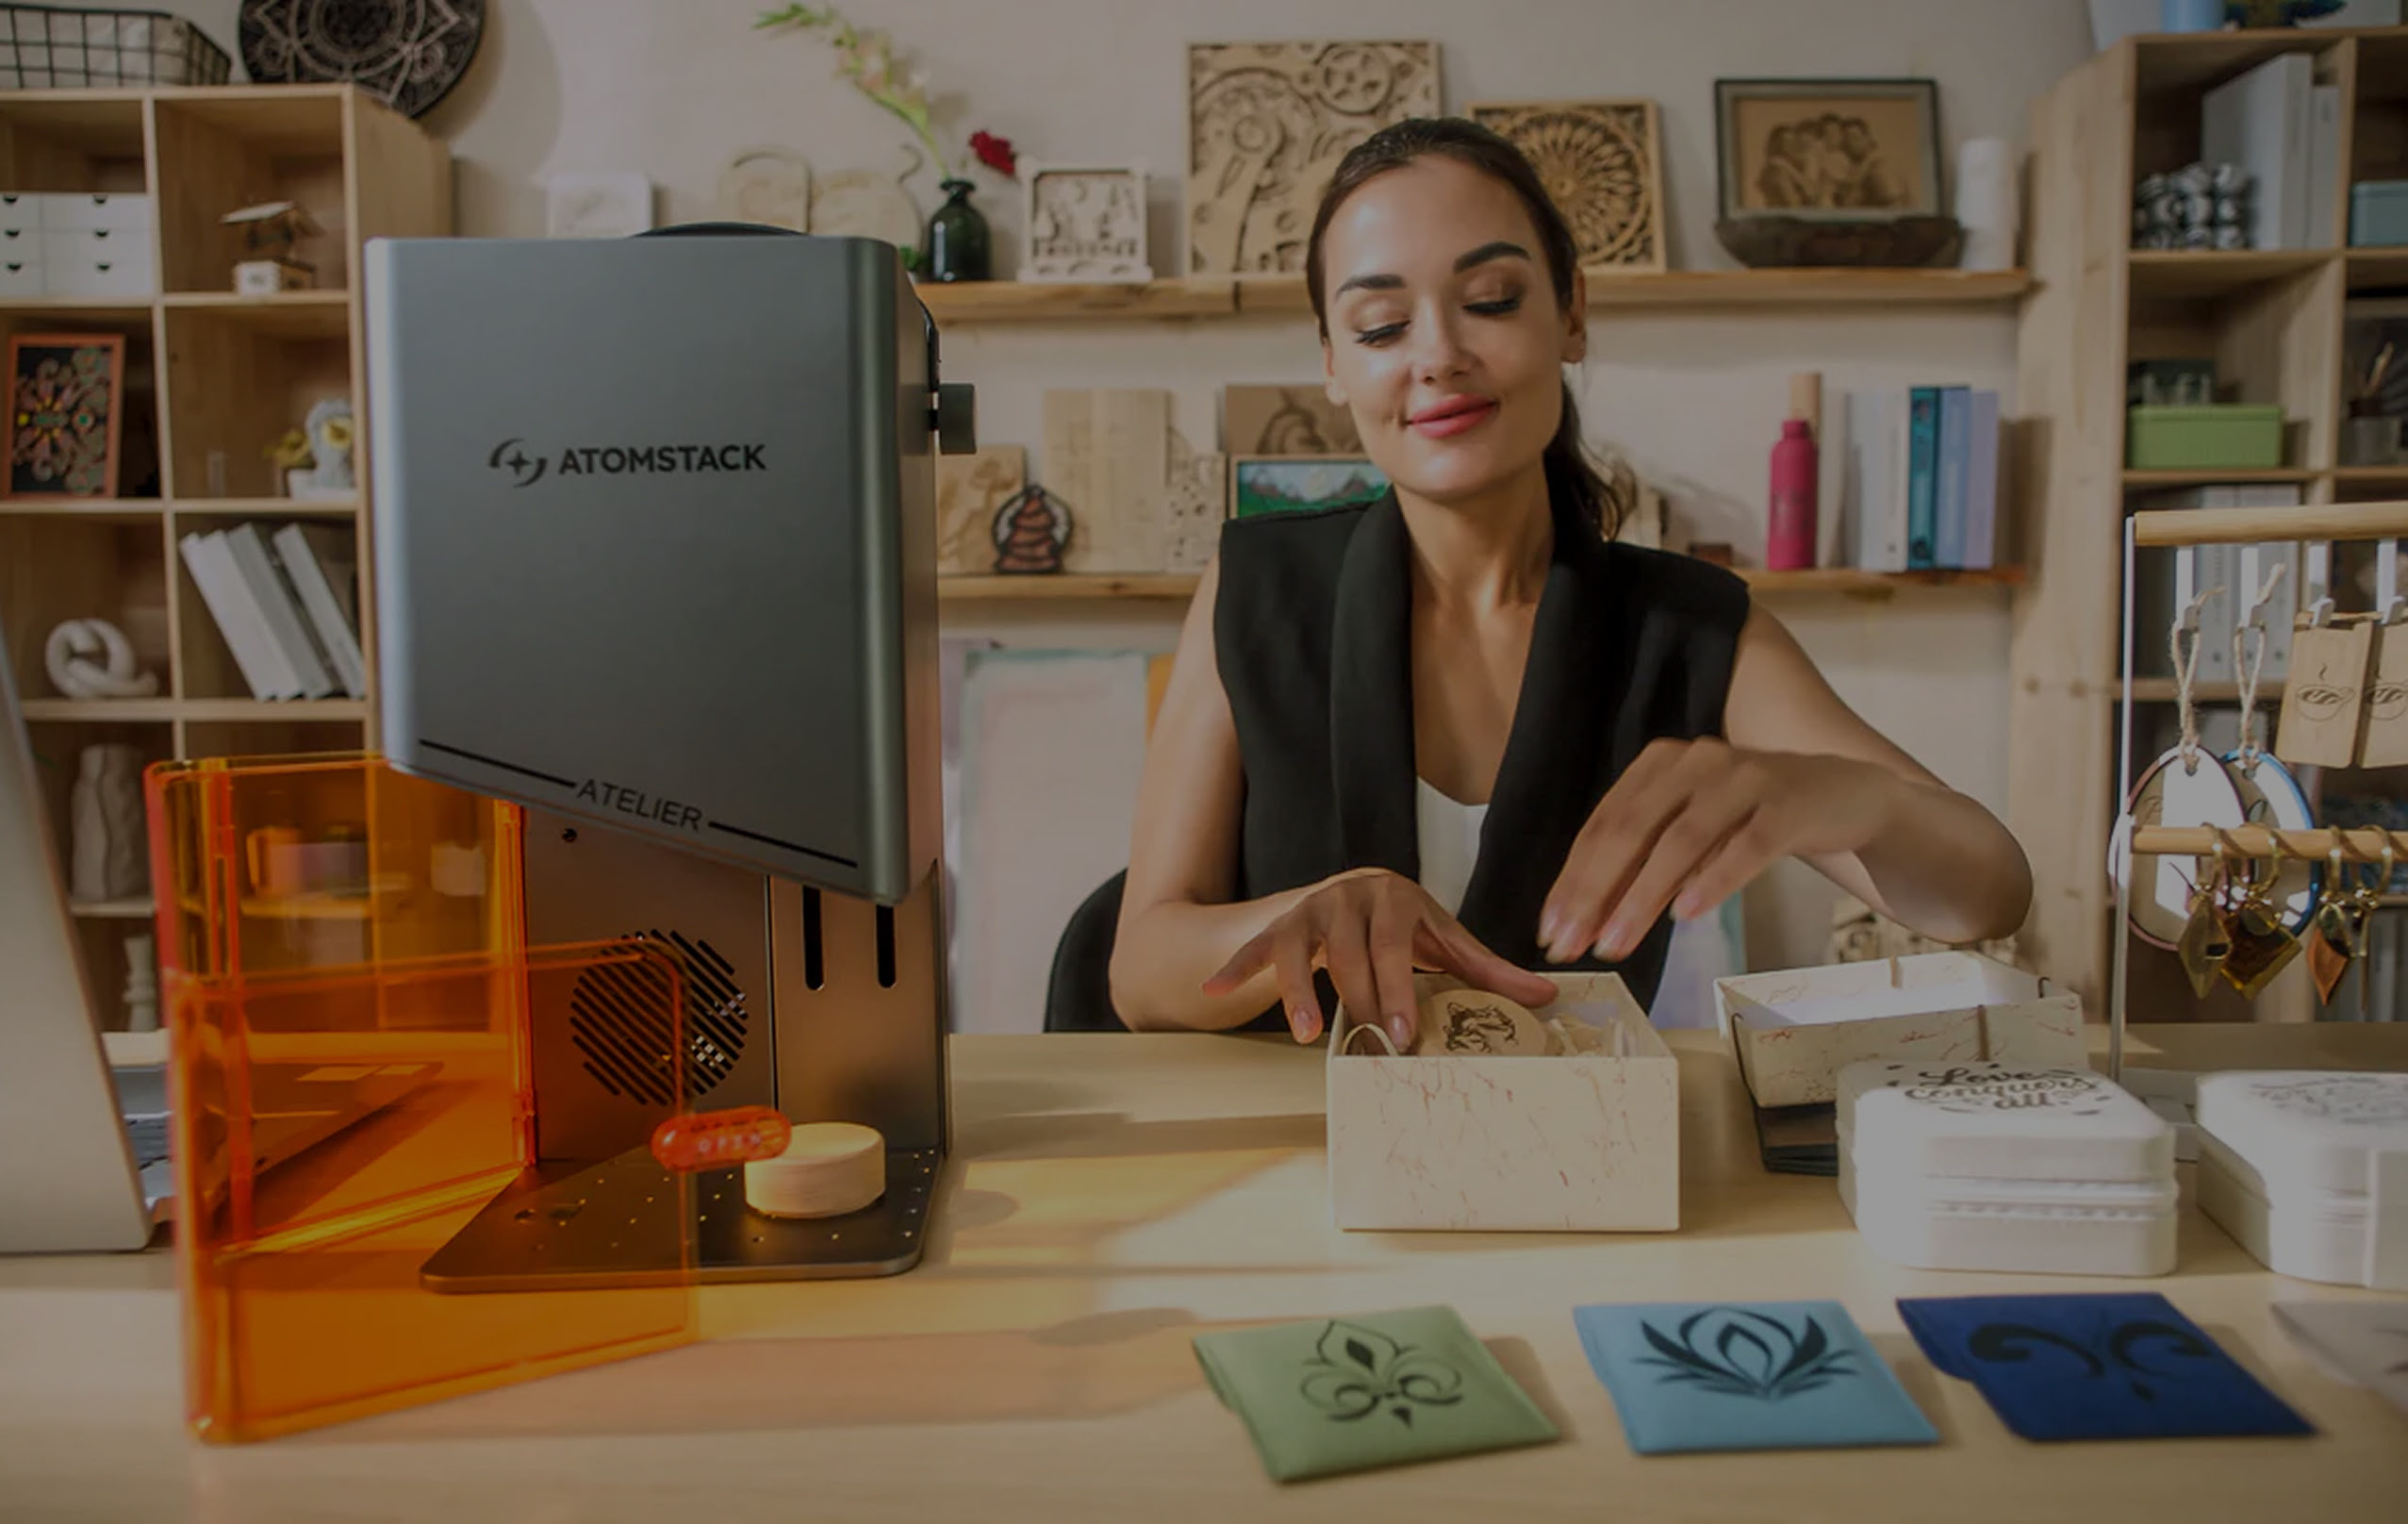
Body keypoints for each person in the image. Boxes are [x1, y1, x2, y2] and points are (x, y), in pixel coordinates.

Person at [1106, 116, 2032, 1052]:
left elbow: (1986, 892)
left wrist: (1853, 796)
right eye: (1380, 325)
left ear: (1572, 314)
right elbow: (1141, 967)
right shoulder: (1257, 583)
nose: (1436, 355)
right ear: (1334, 365)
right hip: (1282, 1159)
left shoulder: (1687, 626)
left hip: (1566, 1164)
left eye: (1492, 299)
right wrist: (1318, 911)